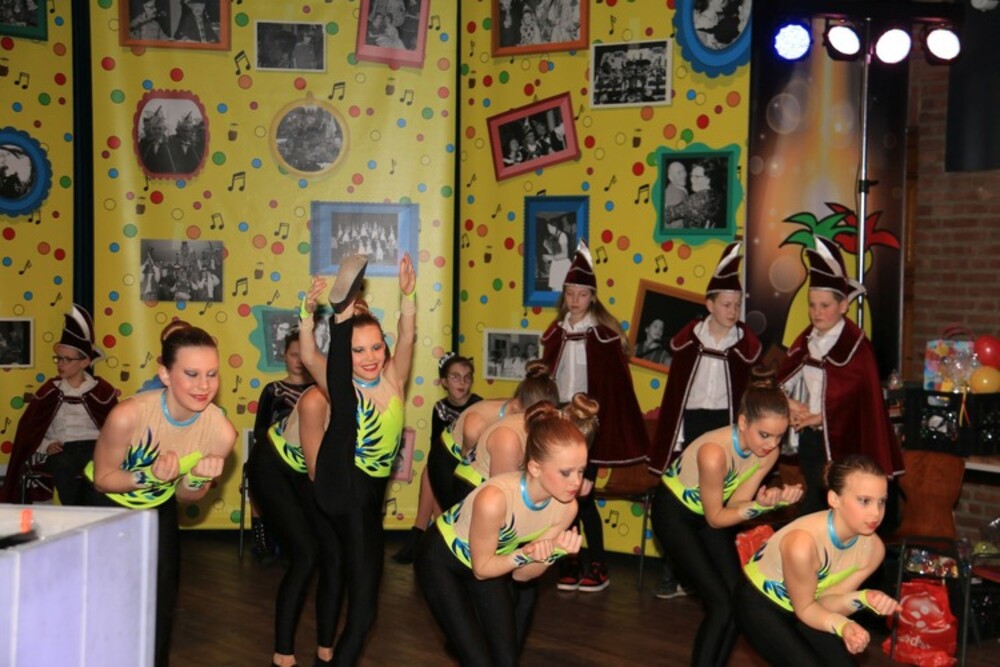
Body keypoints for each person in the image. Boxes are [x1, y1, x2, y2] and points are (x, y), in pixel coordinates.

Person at [85, 326, 237, 667]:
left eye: (212, 374)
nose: (204, 386)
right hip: (106, 506)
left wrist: (196, 479)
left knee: (161, 602)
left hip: (159, 506)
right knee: (106, 601)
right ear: (165, 375)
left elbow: (184, 497)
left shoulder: (221, 432)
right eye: (192, 374)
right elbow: (104, 481)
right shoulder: (128, 415)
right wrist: (148, 476)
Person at [297, 252, 415, 665]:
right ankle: (341, 311)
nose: (370, 357)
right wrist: (306, 315)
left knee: (363, 610)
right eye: (358, 350)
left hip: (364, 499)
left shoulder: (394, 378)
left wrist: (408, 295)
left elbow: (407, 338)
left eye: (376, 347)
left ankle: (343, 312)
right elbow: (310, 357)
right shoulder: (341, 382)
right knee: (345, 403)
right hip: (342, 478)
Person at [414, 401, 587, 666]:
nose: (576, 482)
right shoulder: (495, 498)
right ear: (535, 468)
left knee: (506, 660)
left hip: (493, 562)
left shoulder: (567, 508)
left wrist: (552, 552)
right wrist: (524, 554)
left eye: (581, 470)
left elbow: (521, 575)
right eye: (566, 472)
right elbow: (482, 569)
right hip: (442, 562)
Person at [651, 371, 803, 667]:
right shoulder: (714, 453)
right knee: (720, 604)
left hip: (712, 515)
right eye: (764, 435)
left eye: (779, 436)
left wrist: (766, 503)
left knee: (738, 604)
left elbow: (735, 505)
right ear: (743, 422)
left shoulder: (768, 453)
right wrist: (758, 508)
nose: (771, 444)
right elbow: (717, 519)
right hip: (674, 514)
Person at [649, 242, 762, 597]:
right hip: (692, 425)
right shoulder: (690, 341)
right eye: (726, 304)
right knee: (681, 500)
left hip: (725, 428)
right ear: (709, 305)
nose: (733, 311)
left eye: (737, 305)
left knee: (716, 504)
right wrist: (678, 435)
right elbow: (677, 393)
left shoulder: (743, 345)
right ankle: (673, 572)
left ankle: (710, 577)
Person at [541, 240, 649, 593]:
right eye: (570, 293)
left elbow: (614, 394)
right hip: (560, 421)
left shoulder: (603, 337)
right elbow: (546, 380)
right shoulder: (555, 333)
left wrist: (593, 457)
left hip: (589, 424)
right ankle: (570, 560)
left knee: (583, 497)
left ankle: (598, 564)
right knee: (562, 497)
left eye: (582, 294)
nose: (575, 300)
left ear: (592, 298)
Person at [778, 236, 904, 516]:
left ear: (844, 305)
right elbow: (784, 381)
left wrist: (820, 417)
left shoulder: (856, 346)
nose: (817, 312)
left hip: (845, 444)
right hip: (810, 439)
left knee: (838, 511)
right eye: (812, 305)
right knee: (813, 507)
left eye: (825, 306)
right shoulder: (805, 341)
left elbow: (860, 404)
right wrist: (790, 404)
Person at [735, 455, 901, 666]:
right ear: (834, 499)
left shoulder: (873, 549)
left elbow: (825, 602)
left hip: (808, 606)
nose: (876, 513)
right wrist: (842, 626)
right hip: (761, 604)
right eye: (864, 501)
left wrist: (865, 598)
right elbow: (806, 609)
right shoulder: (803, 544)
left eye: (881, 501)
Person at [0, 305, 119, 505]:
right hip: (63, 450)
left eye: (67, 359)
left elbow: (116, 430)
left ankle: (94, 517)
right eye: (58, 358)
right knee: (63, 467)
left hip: (95, 448)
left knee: (98, 473)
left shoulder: (101, 392)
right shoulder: (50, 391)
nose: (60, 364)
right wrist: (47, 445)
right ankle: (73, 513)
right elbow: (30, 430)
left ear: (84, 362)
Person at [392, 352, 483, 565]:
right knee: (430, 471)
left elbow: (479, 447)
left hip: (472, 465)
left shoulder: (478, 405)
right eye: (455, 377)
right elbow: (436, 446)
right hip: (447, 461)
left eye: (467, 377)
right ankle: (431, 536)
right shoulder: (440, 408)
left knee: (432, 474)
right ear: (443, 382)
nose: (462, 382)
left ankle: (424, 535)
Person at [248, 327, 315, 567]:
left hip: (307, 459)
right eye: (294, 355)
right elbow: (260, 430)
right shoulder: (273, 390)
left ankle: (303, 542)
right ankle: (262, 543)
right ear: (284, 356)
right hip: (276, 458)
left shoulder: (318, 390)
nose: (299, 361)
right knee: (258, 479)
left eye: (303, 355)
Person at [453, 361, 560, 498]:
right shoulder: (506, 438)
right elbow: (503, 493)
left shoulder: (537, 424)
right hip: (466, 481)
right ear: (517, 406)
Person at [665, 160, 725, 230]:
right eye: (692, 175)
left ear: (708, 179)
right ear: (670, 177)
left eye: (697, 177)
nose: (692, 180)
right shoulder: (717, 195)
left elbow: (666, 215)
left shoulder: (695, 201)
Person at [541, 219, 571, 291]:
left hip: (563, 266)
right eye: (548, 227)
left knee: (559, 290)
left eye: (549, 227)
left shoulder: (562, 235)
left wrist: (550, 257)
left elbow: (565, 254)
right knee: (555, 290)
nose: (548, 229)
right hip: (557, 265)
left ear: (555, 227)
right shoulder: (555, 237)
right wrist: (547, 247)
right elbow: (555, 254)